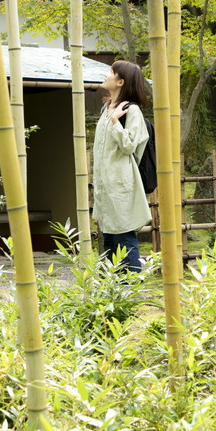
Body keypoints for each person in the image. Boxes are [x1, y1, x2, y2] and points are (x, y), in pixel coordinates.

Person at [92, 60, 151, 273]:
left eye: (111, 72)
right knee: (109, 242)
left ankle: (132, 289)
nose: (106, 75)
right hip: (105, 186)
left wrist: (116, 122)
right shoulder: (106, 108)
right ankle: (114, 295)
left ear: (120, 81)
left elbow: (129, 146)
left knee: (124, 238)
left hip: (121, 184)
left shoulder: (131, 111)